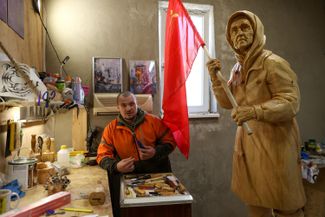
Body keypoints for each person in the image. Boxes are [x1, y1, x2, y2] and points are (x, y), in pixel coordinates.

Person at [206, 10, 306, 217]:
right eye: (234, 30)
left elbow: (290, 102)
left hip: (276, 143)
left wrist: (254, 111)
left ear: (256, 31)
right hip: (248, 144)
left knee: (286, 205)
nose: (239, 33)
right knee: (255, 201)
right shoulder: (237, 69)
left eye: (244, 27)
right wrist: (216, 79)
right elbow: (228, 102)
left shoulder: (273, 63)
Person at [96, 91, 176, 217]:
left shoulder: (154, 121)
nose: (128, 108)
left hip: (158, 178)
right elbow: (102, 156)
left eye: (132, 104)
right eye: (123, 105)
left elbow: (171, 142)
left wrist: (155, 152)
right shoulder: (111, 129)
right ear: (118, 107)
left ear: (137, 104)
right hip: (130, 182)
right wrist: (116, 166)